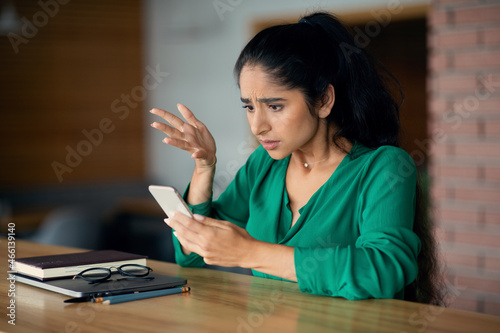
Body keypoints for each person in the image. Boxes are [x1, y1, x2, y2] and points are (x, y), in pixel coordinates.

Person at [150, 12, 445, 305]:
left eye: (275, 107)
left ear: (323, 100)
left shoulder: (384, 167)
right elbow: (191, 255)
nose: (257, 126)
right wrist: (204, 166)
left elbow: (384, 270)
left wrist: (249, 252)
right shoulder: (263, 165)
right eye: (249, 107)